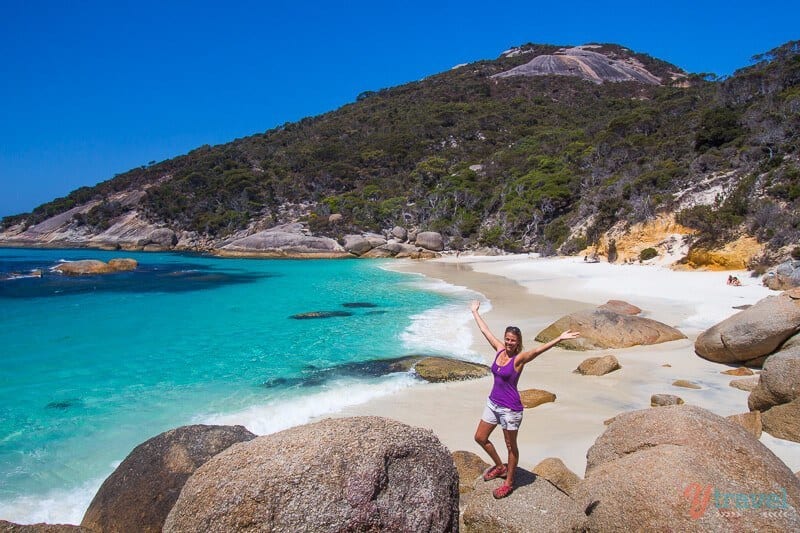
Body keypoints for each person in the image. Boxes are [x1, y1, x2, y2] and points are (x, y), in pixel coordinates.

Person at [470, 300, 580, 499]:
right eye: (507, 339)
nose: (509, 342)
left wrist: (559, 338)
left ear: (518, 342)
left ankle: (509, 482)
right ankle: (500, 466)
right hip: (493, 404)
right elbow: (485, 331)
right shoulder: (499, 350)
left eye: (513, 340)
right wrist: (475, 312)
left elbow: (537, 351)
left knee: (511, 446)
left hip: (510, 409)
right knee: (480, 437)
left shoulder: (518, 359)